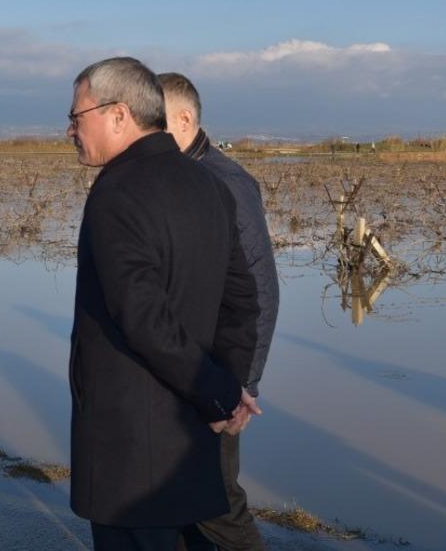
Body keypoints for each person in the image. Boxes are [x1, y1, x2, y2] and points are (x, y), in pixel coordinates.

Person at [65, 57, 261, 551]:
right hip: (193, 437)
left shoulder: (115, 192)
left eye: (76, 116)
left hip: (129, 453)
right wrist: (225, 392)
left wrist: (219, 392)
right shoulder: (209, 183)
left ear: (119, 115)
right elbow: (242, 301)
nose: (70, 130)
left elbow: (143, 317)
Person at [160, 72, 279, 551]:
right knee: (178, 499)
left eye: (155, 122)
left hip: (215, 376)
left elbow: (260, 292)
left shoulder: (223, 181)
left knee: (217, 504)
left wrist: (240, 386)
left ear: (185, 119)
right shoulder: (177, 176)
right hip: (186, 369)